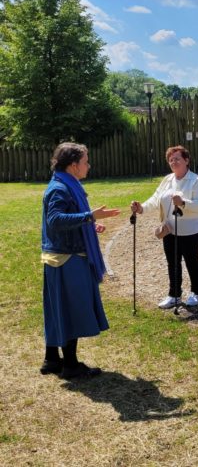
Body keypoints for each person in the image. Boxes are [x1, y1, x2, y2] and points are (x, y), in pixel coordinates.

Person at [40, 143, 120, 379]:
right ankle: (71, 365)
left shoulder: (63, 183)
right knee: (69, 309)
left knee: (57, 308)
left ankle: (52, 359)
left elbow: (63, 220)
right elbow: (55, 220)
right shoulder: (60, 189)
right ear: (73, 165)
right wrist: (88, 216)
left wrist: (89, 225)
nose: (88, 165)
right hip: (67, 259)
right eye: (85, 161)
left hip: (61, 256)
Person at [131, 146, 198, 309]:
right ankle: (174, 295)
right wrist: (141, 208)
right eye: (171, 160)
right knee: (172, 263)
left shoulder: (196, 181)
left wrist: (183, 203)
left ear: (186, 160)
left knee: (191, 261)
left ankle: (197, 293)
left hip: (191, 231)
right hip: (169, 230)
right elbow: (155, 198)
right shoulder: (167, 180)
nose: (173, 162)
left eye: (177, 159)